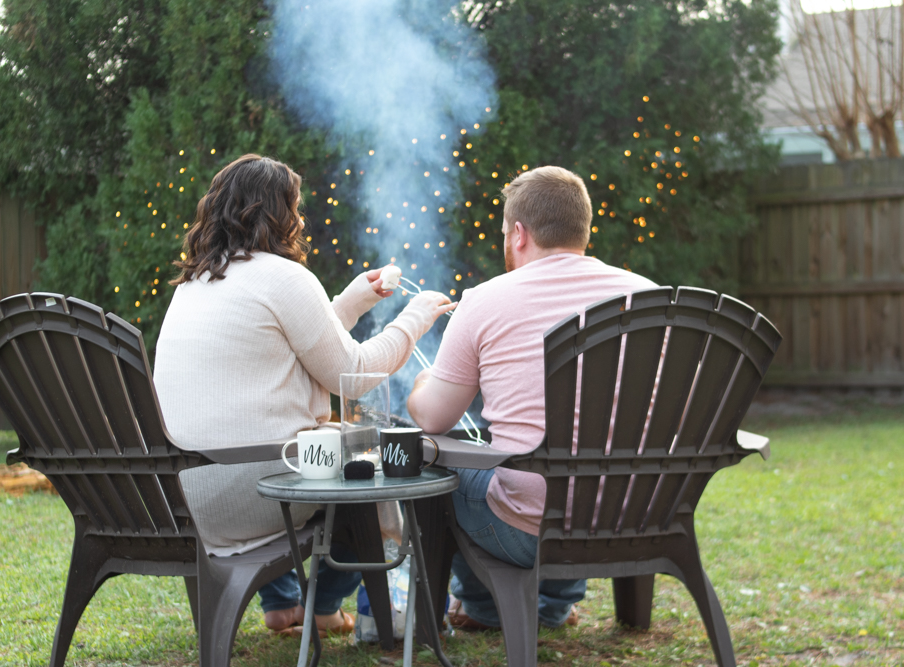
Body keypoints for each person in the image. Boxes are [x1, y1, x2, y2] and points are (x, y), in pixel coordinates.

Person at [153, 154, 454, 635]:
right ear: (280, 213)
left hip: (184, 494)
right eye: (295, 207)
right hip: (253, 489)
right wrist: (414, 318)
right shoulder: (283, 276)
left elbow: (292, 344)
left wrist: (352, 301)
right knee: (364, 467)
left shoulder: (194, 284)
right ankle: (331, 606)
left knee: (314, 441)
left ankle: (285, 603)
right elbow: (350, 372)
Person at [406, 165, 656, 630]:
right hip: (639, 516)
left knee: (446, 466)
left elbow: (433, 418)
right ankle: (556, 606)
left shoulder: (485, 299)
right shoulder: (648, 297)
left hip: (527, 530)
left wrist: (421, 384)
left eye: (504, 233)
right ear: (583, 229)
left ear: (518, 234)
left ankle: (481, 608)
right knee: (566, 470)